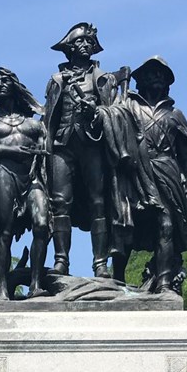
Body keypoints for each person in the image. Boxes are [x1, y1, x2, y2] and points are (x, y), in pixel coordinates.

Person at [44, 23, 117, 278]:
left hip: (92, 145)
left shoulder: (102, 78)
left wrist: (96, 113)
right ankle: (61, 261)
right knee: (60, 203)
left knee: (99, 202)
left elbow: (115, 113)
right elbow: (49, 120)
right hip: (62, 146)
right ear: (70, 48)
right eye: (80, 42)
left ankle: (101, 263)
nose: (85, 45)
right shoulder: (56, 80)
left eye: (89, 42)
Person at [0, 68, 49, 299]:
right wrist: (9, 150)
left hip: (33, 177)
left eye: (6, 80)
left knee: (42, 225)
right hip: (4, 172)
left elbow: (47, 151)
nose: (1, 84)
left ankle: (35, 285)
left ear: (16, 86)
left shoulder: (35, 125)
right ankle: (3, 289)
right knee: (3, 233)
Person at [124, 56, 187, 294]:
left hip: (166, 171)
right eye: (151, 73)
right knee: (126, 224)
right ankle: (115, 280)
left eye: (161, 74)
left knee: (166, 225)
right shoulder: (128, 106)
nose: (156, 76)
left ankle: (164, 283)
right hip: (135, 171)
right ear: (140, 79)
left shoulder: (175, 114)